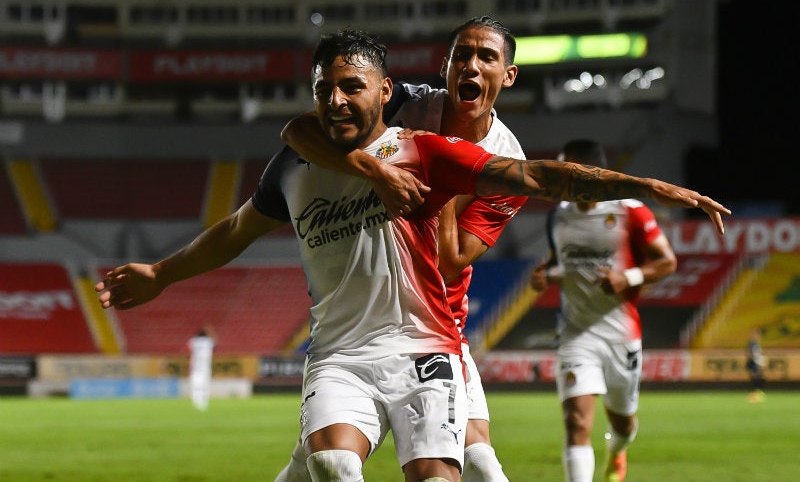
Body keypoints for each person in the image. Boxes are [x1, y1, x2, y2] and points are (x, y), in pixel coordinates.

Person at [97, 29, 729, 482]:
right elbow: (243, 217)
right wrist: (159, 273)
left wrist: (649, 188)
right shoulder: (302, 155)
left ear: (384, 90)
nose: (337, 100)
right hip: (342, 352)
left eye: (352, 87)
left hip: (431, 342)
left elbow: (535, 182)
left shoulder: (434, 152)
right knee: (334, 464)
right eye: (325, 89)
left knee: (464, 465)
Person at [278, 15, 526, 482]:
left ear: (507, 76)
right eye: (461, 57)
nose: (470, 67)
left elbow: (451, 261)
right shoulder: (404, 104)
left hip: (435, 322)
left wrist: (441, 171)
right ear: (445, 66)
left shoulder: (507, 162)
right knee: (331, 460)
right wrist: (378, 171)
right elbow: (299, 132)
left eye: (486, 57)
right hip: (359, 319)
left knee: (480, 465)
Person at [529, 139, 679, 482]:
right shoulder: (559, 216)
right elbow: (562, 263)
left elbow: (667, 261)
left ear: (592, 175)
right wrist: (544, 274)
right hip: (575, 334)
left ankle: (618, 451)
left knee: (623, 423)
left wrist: (628, 277)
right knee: (576, 422)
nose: (560, 178)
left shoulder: (631, 211)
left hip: (619, 333)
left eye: (567, 171)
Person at [188, 325, 215, 411]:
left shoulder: (194, 341)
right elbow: (215, 342)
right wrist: (210, 331)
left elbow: (188, 347)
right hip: (205, 366)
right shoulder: (208, 341)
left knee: (196, 385)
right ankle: (204, 402)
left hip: (195, 366)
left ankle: (196, 401)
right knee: (205, 385)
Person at [745, 327, 766, 403]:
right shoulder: (751, 343)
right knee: (754, 379)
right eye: (756, 334)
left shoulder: (757, 344)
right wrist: (752, 360)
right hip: (753, 363)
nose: (757, 336)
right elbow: (749, 353)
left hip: (756, 363)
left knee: (758, 379)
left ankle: (755, 395)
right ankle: (752, 396)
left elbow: (759, 354)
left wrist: (762, 362)